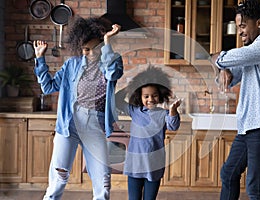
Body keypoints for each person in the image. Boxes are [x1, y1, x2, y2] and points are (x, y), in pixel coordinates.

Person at [33, 15, 123, 200]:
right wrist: (40, 59)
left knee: (103, 183)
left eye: (95, 48)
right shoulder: (71, 65)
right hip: (69, 125)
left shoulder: (111, 62)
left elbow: (113, 73)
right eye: (86, 49)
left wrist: (107, 42)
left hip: (95, 127)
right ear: (79, 48)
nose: (91, 53)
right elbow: (48, 87)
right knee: (58, 180)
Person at [210, 0, 260, 199]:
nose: (240, 32)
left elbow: (221, 58)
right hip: (249, 126)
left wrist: (219, 61)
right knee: (228, 174)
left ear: (259, 23)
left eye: (243, 26)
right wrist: (223, 68)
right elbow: (226, 77)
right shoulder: (251, 55)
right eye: (237, 28)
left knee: (256, 189)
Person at [116, 67, 181, 200]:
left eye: (154, 95)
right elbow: (117, 100)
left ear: (160, 95)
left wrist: (173, 110)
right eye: (146, 96)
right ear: (139, 97)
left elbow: (173, 126)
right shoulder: (134, 111)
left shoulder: (163, 114)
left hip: (154, 165)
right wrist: (130, 87)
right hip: (135, 165)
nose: (150, 99)